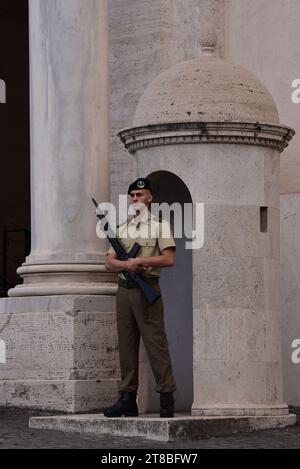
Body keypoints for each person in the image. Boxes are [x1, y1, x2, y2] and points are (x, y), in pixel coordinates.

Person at [103, 177, 177, 418]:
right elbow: (109, 263)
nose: (136, 199)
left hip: (147, 289)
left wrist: (141, 261)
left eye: (140, 195)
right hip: (124, 289)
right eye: (133, 196)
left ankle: (166, 396)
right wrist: (126, 264)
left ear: (150, 198)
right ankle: (127, 398)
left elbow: (168, 259)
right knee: (126, 344)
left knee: (156, 344)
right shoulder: (122, 228)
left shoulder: (159, 225)